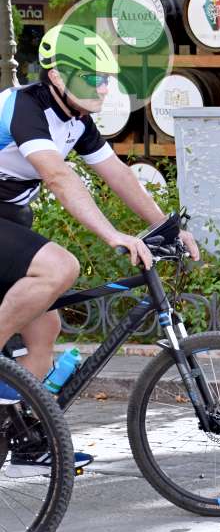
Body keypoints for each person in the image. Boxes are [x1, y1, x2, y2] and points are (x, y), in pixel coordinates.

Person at [0, 23, 200, 466]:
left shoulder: (76, 120)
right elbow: (58, 176)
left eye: (108, 77)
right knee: (59, 269)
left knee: (43, 331)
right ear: (56, 76)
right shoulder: (24, 109)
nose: (105, 87)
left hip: (8, 219)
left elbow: (119, 175)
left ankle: (25, 438)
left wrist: (166, 226)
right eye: (93, 77)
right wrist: (112, 234)